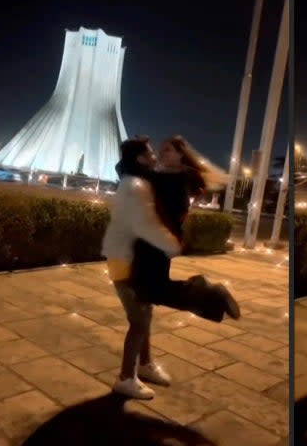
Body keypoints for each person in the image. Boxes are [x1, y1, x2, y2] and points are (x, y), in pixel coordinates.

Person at [102, 138, 184, 399]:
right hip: (122, 259)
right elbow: (145, 224)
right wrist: (172, 244)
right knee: (138, 320)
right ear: (139, 158)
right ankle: (126, 378)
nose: (154, 155)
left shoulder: (136, 180)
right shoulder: (135, 186)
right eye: (149, 152)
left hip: (129, 257)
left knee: (146, 311)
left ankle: (146, 364)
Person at [130, 136, 241, 323]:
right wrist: (138, 148)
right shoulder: (160, 175)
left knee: (150, 290)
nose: (160, 152)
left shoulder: (180, 176)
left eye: (167, 149)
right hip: (150, 238)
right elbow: (125, 170)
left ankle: (209, 292)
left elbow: (132, 172)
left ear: (181, 155)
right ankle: (209, 294)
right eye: (160, 149)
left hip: (157, 239)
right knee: (148, 290)